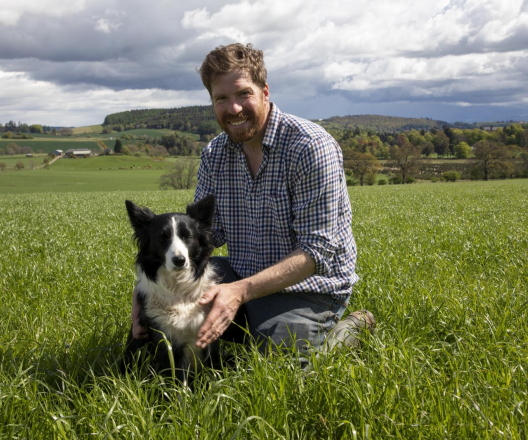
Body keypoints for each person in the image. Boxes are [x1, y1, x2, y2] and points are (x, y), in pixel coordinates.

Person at [131, 43, 374, 357]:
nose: (233, 109)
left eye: (243, 94)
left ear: (265, 92)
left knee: (277, 373)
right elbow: (205, 237)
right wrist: (145, 294)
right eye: (221, 98)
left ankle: (351, 327)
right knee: (160, 339)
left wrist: (239, 293)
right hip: (240, 275)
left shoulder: (310, 147)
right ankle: (244, 331)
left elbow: (317, 252)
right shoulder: (214, 155)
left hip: (309, 289)